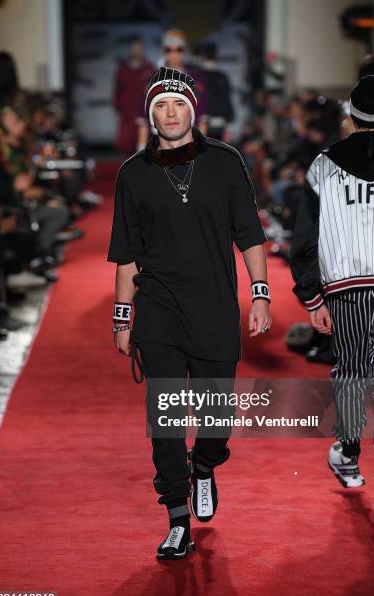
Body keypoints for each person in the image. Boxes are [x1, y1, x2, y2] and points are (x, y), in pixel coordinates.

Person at [107, 67, 271, 559]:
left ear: (192, 109)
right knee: (166, 417)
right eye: (160, 105)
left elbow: (250, 233)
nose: (170, 112)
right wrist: (122, 318)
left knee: (217, 415)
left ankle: (206, 465)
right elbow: (126, 253)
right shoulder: (133, 174)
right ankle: (177, 516)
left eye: (177, 103)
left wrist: (260, 293)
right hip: (157, 309)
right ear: (150, 114)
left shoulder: (224, 162)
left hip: (215, 306)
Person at [289, 74, 374, 512]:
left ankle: (349, 455)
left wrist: (311, 297)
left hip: (345, 288)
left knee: (350, 372)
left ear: (350, 113)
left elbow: (304, 240)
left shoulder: (323, 164)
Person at [135, 29, 209, 150]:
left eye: (179, 49)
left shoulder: (197, 82)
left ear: (185, 51)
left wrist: (200, 149)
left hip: (189, 144)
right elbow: (143, 121)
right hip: (159, 144)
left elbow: (203, 120)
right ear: (163, 51)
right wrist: (141, 149)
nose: (174, 53)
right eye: (169, 49)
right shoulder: (150, 82)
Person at [113, 37, 155, 157]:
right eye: (134, 48)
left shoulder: (149, 69)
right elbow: (118, 90)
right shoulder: (123, 70)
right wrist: (120, 106)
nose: (137, 51)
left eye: (139, 48)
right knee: (127, 147)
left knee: (144, 146)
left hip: (144, 114)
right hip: (127, 115)